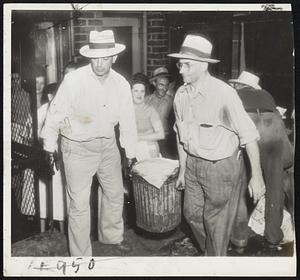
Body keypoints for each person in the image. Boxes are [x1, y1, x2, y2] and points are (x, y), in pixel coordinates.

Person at [40, 30, 138, 256]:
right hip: (77, 147)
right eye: (96, 58)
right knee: (79, 204)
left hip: (107, 145)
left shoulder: (121, 84)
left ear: (114, 58)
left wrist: (131, 153)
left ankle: (112, 237)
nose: (100, 64)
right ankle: (81, 256)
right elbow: (55, 113)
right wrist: (49, 146)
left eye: (105, 58)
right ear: (89, 57)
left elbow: (128, 121)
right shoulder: (74, 80)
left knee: (114, 194)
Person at [168, 34, 265, 256]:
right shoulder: (181, 95)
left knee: (216, 224)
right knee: (191, 215)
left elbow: (249, 135)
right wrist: (183, 169)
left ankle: (215, 261)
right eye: (180, 64)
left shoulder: (224, 94)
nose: (181, 69)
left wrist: (256, 176)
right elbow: (179, 134)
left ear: (203, 66)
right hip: (192, 165)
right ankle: (214, 254)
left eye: (187, 64)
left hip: (220, 168)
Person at [229, 70, 294, 250]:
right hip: (273, 126)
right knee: (275, 185)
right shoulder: (267, 95)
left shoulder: (235, 94)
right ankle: (273, 236)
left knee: (241, 183)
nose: (233, 86)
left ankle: (239, 237)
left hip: (251, 126)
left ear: (241, 85)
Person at [130, 73, 165, 161]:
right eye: (136, 91)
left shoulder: (150, 110)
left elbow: (161, 134)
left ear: (145, 92)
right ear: (130, 91)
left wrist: (138, 137)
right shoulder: (126, 110)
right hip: (132, 150)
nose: (139, 94)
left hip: (148, 149)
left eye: (142, 91)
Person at [146, 67, 174, 158]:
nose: (164, 88)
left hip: (166, 143)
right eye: (161, 85)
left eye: (166, 85)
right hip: (149, 141)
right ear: (154, 83)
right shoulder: (146, 101)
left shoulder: (172, 102)